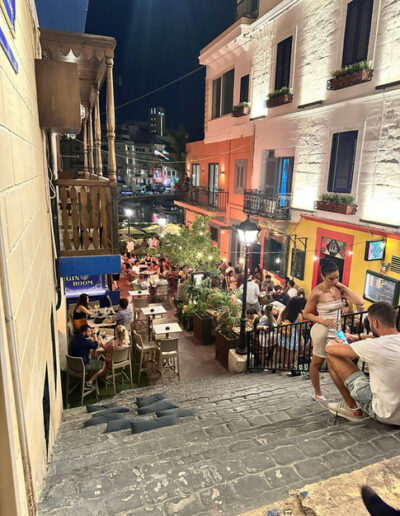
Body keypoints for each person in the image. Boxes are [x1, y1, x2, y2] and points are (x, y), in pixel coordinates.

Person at [326, 302, 400, 425]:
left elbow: (330, 349)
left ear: (375, 323)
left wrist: (335, 341)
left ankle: (352, 408)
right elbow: (380, 337)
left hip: (386, 413)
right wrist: (358, 337)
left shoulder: (373, 346)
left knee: (333, 356)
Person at [303, 260, 365, 402]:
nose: (335, 281)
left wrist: (343, 287)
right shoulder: (317, 293)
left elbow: (360, 302)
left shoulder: (339, 288)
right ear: (323, 276)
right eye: (331, 278)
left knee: (342, 360)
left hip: (337, 330)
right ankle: (318, 392)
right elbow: (306, 313)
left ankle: (347, 393)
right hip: (322, 331)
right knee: (317, 362)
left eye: (337, 277)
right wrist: (323, 320)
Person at [69, 325, 105, 390]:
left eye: (91, 332)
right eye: (89, 332)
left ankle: (88, 377)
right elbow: (95, 345)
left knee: (92, 358)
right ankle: (89, 382)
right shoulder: (86, 341)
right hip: (83, 366)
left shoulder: (74, 338)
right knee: (103, 364)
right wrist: (95, 334)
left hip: (72, 366)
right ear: (84, 332)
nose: (90, 333)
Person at [277, 297, 303, 370]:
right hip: (293, 334)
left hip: (283, 332)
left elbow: (278, 323)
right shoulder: (299, 315)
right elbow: (299, 327)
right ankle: (288, 366)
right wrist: (300, 337)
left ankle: (283, 365)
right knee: (290, 351)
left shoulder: (283, 312)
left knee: (282, 350)